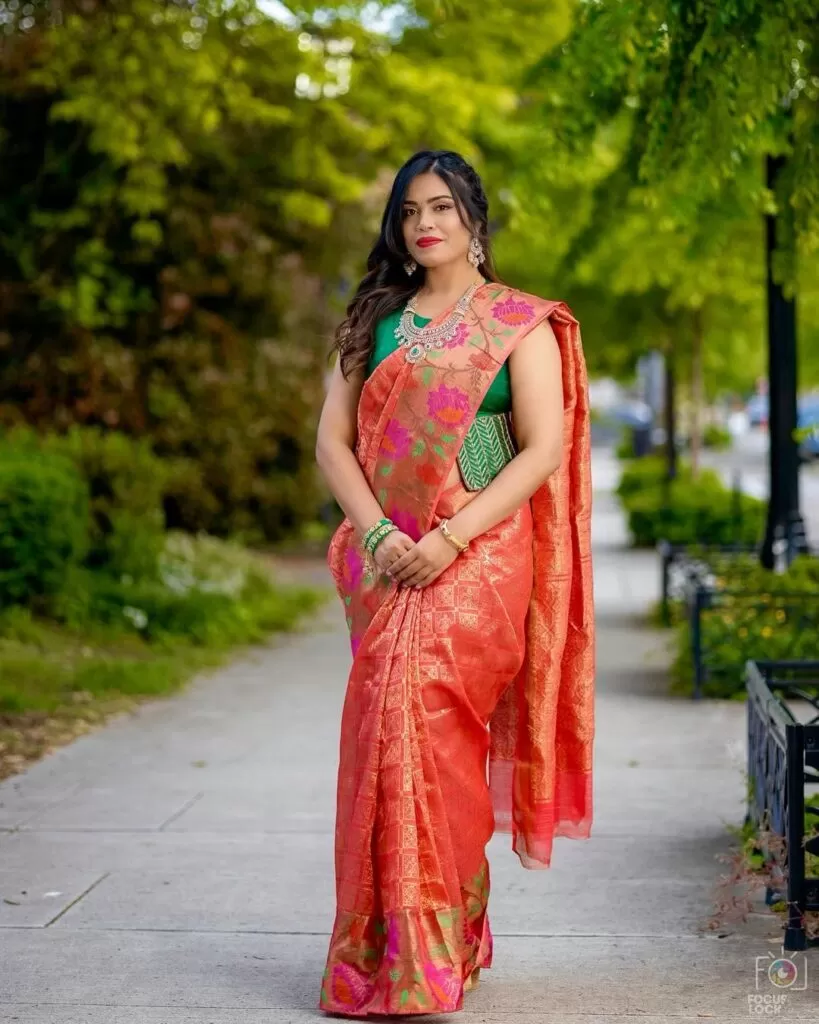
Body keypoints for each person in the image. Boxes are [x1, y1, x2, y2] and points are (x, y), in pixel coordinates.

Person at [314, 149, 595, 1018]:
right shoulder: (377, 320)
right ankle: (392, 952)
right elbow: (332, 443)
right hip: (387, 555)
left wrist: (448, 537)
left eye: (440, 207)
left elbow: (539, 450)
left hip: (479, 555)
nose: (423, 224)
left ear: (474, 218)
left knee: (437, 733)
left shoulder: (519, 325)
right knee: (378, 733)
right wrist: (380, 533)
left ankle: (433, 952)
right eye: (408, 212)